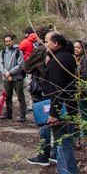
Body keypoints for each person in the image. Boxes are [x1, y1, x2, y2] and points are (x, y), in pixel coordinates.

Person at [44, 31, 80, 174]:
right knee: (61, 142)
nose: (45, 45)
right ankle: (63, 171)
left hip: (62, 108)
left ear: (56, 43)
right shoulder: (68, 58)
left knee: (63, 142)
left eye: (47, 42)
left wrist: (53, 113)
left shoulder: (58, 61)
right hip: (69, 106)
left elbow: (56, 89)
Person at [25, 25, 55, 166]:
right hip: (54, 89)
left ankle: (44, 155)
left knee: (44, 123)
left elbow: (27, 66)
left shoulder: (41, 50)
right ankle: (54, 152)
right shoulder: (58, 50)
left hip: (43, 89)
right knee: (54, 121)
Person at [0, 34, 27, 122]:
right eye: (6, 41)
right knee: (8, 96)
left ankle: (22, 115)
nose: (8, 43)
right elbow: (0, 64)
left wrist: (9, 72)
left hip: (17, 78)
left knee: (20, 96)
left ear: (12, 41)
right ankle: (9, 114)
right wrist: (5, 72)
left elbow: (20, 65)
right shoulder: (2, 52)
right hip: (6, 78)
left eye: (9, 41)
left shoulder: (18, 51)